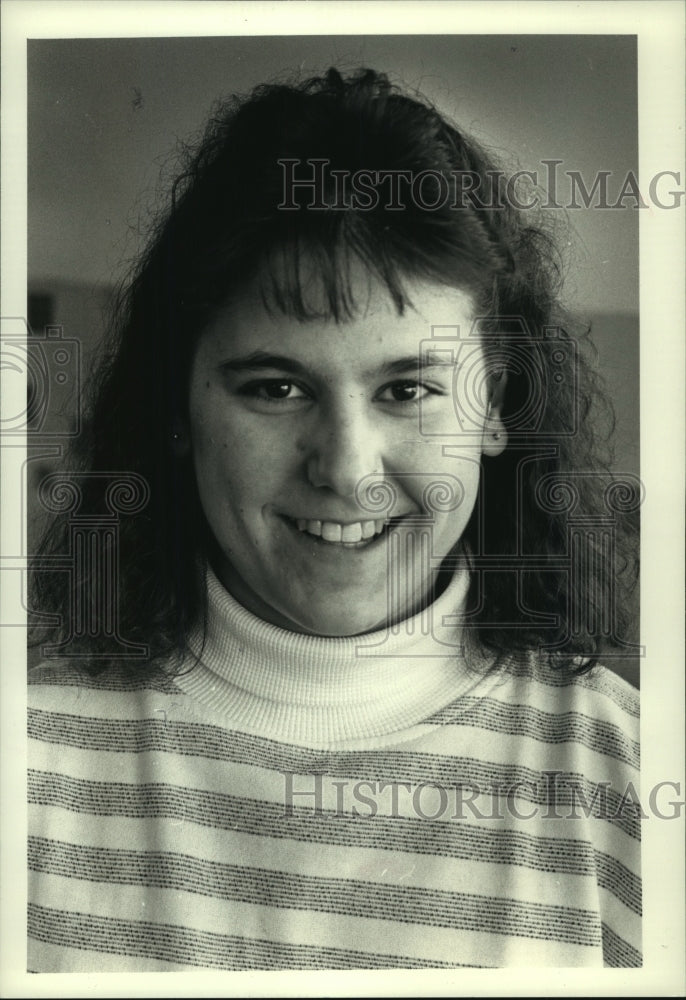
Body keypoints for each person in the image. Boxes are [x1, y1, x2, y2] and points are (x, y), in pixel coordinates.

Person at [28, 67, 640, 970]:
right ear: (176, 409)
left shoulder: (625, 775)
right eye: (275, 388)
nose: (348, 471)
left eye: (408, 389)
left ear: (496, 404)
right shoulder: (29, 757)